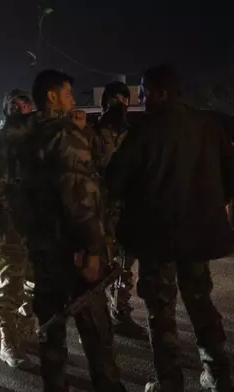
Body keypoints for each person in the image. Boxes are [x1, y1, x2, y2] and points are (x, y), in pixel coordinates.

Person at [106, 64, 234, 392]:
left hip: (157, 239)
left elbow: (115, 181)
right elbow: (230, 178)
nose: (142, 98)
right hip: (199, 236)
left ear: (160, 93)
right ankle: (218, 374)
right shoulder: (209, 126)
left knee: (161, 312)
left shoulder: (144, 131)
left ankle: (170, 382)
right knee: (201, 303)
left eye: (145, 92)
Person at [26, 69, 125, 392]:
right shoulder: (65, 135)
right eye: (68, 93)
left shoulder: (27, 134)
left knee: (52, 334)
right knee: (96, 332)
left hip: (42, 250)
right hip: (74, 253)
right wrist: (93, 250)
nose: (72, 99)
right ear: (52, 96)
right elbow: (79, 196)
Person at [0, 89, 36, 370]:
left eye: (25, 105)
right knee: (12, 283)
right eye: (14, 105)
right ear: (6, 109)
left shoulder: (37, 141)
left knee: (36, 281)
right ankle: (9, 341)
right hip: (8, 225)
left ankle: (26, 330)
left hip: (35, 223)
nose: (20, 109)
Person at [91, 81, 148, 340]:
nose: (120, 105)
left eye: (124, 100)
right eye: (115, 100)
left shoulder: (133, 134)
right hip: (101, 212)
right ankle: (96, 316)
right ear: (105, 103)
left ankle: (120, 312)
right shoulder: (91, 134)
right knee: (101, 264)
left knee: (126, 265)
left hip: (128, 210)